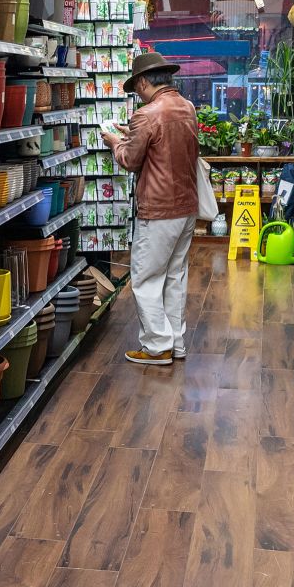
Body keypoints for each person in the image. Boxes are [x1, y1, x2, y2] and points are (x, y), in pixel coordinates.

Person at [101, 52, 200, 366]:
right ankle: (176, 343)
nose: (137, 93)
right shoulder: (187, 108)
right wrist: (129, 135)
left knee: (145, 279)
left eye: (137, 87)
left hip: (159, 210)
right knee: (174, 277)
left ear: (143, 82)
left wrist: (114, 141)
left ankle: (157, 347)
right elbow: (166, 146)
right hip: (186, 206)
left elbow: (131, 160)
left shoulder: (147, 114)